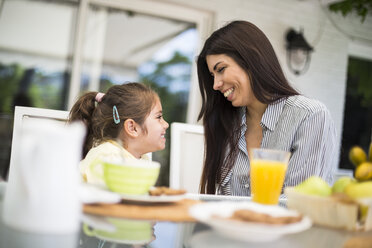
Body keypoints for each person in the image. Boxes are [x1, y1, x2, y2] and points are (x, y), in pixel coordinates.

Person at [196, 20, 337, 195]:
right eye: (212, 75)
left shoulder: (310, 116)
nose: (215, 84)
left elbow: (300, 205)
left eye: (221, 69)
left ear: (250, 59)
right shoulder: (228, 123)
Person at [69, 82, 169, 185]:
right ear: (132, 128)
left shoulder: (143, 160)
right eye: (159, 117)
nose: (166, 124)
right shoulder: (107, 157)